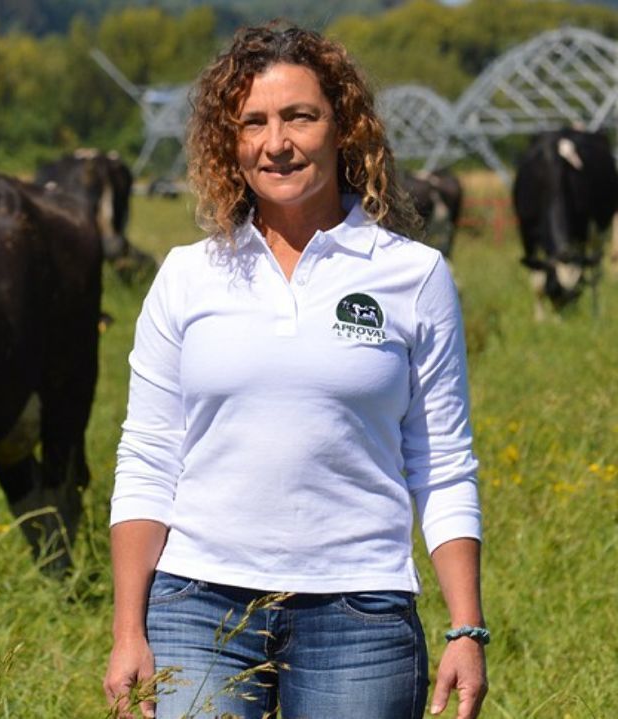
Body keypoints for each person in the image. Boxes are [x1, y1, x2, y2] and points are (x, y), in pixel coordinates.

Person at [103, 23, 488, 719]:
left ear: (343, 127)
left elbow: (442, 461)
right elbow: (148, 457)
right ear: (231, 141)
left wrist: (466, 626)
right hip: (197, 605)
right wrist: (129, 629)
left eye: (298, 116)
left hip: (360, 612)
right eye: (253, 122)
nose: (276, 142)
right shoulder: (188, 276)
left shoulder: (412, 274)